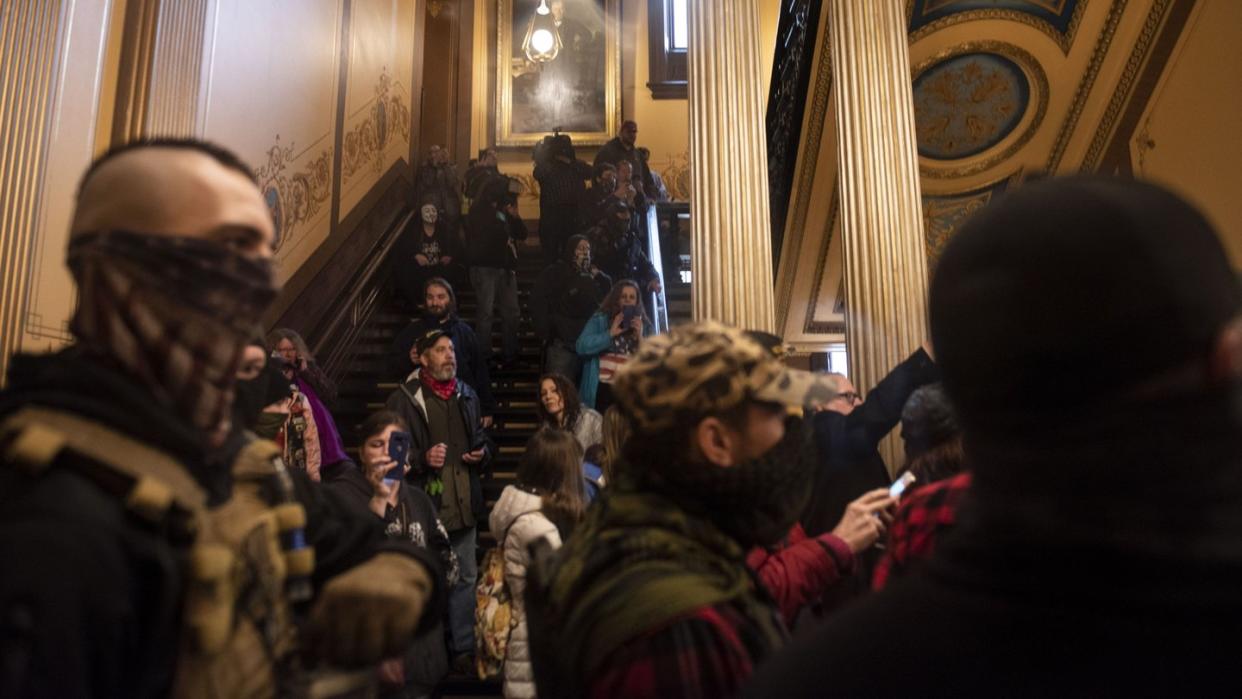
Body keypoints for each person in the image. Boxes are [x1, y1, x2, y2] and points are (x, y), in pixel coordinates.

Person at [745, 176, 1242, 697]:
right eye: (848, 398)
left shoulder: (819, 676)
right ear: (1226, 361)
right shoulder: (830, 432)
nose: (857, 402)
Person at [0, 138, 443, 697]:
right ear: (118, 276)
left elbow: (384, 549)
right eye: (229, 249)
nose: (261, 281)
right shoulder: (47, 517)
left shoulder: (242, 465)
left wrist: (392, 580)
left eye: (262, 255)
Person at [524, 320, 840, 698]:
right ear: (716, 440)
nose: (794, 432)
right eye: (777, 417)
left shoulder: (663, 542)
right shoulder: (680, 622)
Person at [323, 410, 460, 698]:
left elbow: (449, 567)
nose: (387, 453)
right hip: (366, 651)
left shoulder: (419, 499)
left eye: (396, 444)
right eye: (377, 444)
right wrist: (379, 501)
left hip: (421, 651)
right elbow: (341, 570)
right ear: (361, 452)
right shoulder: (340, 497)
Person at [385, 329, 493, 671]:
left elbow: (484, 440)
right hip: (425, 507)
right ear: (424, 357)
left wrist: (484, 453)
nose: (451, 355)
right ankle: (428, 653)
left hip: (464, 503)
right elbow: (391, 458)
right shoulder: (403, 400)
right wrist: (420, 458)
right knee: (428, 579)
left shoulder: (468, 395)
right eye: (442, 350)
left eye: (452, 350)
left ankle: (461, 648)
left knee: (465, 578)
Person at [799, 346, 939, 539]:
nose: (858, 403)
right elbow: (876, 410)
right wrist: (922, 361)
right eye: (848, 397)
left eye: (858, 396)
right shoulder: (822, 429)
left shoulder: (841, 442)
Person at [489, 428, 587, 698]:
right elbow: (564, 593)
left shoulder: (533, 516)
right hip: (537, 652)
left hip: (533, 644)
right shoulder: (535, 526)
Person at [390, 277, 496, 424]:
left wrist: (486, 408)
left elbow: (480, 370)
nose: (435, 303)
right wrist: (409, 359)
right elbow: (391, 365)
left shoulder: (464, 332)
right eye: (430, 297)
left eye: (441, 297)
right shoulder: (412, 331)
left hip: (461, 406)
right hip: (423, 410)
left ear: (450, 299)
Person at [530, 234, 612, 381]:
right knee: (560, 391)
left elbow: (608, 297)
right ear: (571, 250)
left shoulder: (593, 276)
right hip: (563, 345)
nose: (585, 252)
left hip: (589, 345)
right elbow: (538, 299)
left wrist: (599, 277)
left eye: (588, 248)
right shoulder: (556, 271)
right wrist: (545, 330)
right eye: (580, 248)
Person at [268, 328, 352, 471]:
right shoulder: (268, 373)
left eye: (292, 349)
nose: (287, 354)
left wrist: (305, 372)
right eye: (282, 350)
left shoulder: (307, 368)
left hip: (318, 437)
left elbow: (330, 395)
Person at [466, 174, 528, 367]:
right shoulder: (478, 211)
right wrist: (502, 219)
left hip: (506, 267)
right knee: (486, 313)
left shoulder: (505, 211)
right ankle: (484, 355)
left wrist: (515, 217)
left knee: (512, 313)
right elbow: (486, 236)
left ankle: (511, 353)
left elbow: (522, 234)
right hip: (485, 267)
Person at [575, 279, 653, 411]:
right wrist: (609, 334)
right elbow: (581, 346)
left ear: (637, 302)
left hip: (629, 390)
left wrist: (640, 337)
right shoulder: (600, 319)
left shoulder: (645, 326)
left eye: (632, 297)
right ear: (616, 299)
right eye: (623, 296)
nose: (628, 300)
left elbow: (653, 362)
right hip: (602, 389)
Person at [393, 202, 465, 311]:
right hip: (420, 272)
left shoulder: (446, 230)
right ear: (421, 215)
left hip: (440, 270)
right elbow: (402, 249)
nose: (431, 214)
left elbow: (457, 247)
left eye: (433, 211)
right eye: (427, 211)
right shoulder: (413, 232)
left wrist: (450, 256)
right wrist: (415, 255)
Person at [533, 132, 592, 263]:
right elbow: (538, 173)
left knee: (572, 256)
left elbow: (592, 172)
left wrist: (567, 161)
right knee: (551, 258)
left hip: (573, 217)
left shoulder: (575, 166)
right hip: (553, 218)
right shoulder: (548, 167)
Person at [587, 199, 661, 295]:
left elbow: (644, 262)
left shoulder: (630, 239)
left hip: (626, 290)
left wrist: (653, 278)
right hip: (604, 291)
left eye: (627, 221)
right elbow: (589, 263)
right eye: (622, 221)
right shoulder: (596, 236)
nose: (626, 225)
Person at [535, 372, 602, 451]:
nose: (548, 396)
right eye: (543, 393)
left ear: (566, 392)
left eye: (554, 390)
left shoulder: (591, 419)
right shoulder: (546, 428)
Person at [593, 120, 654, 195]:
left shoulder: (637, 155)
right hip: (615, 200)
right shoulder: (607, 152)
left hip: (638, 201)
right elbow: (597, 177)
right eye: (628, 132)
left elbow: (648, 178)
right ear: (621, 133)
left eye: (634, 132)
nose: (632, 135)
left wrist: (651, 197)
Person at [414, 145, 462, 238]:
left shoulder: (451, 166)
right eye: (431, 153)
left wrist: (445, 165)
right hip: (431, 209)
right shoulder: (425, 167)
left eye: (436, 152)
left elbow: (452, 182)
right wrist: (434, 167)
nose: (433, 155)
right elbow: (427, 182)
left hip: (449, 210)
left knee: (449, 235)